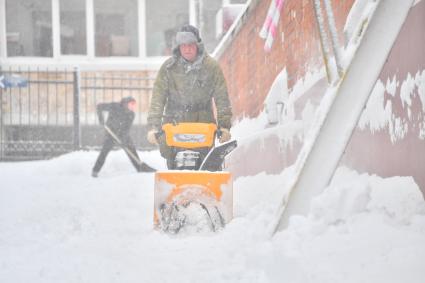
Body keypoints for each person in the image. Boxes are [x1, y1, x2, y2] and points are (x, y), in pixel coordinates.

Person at [146, 24, 232, 168]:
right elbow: (158, 97)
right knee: (175, 167)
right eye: (183, 45)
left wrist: (224, 126)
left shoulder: (211, 67)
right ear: (178, 47)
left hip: (203, 125)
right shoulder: (168, 68)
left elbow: (221, 96)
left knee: (206, 167)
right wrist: (154, 126)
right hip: (175, 124)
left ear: (197, 45)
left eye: (190, 45)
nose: (187, 49)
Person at [92, 96, 156, 177]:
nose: (133, 107)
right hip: (111, 134)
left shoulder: (131, 114)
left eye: (134, 105)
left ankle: (139, 167)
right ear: (126, 103)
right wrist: (101, 120)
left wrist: (122, 140)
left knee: (131, 149)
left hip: (122, 134)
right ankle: (95, 171)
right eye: (131, 104)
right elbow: (99, 106)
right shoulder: (115, 106)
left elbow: (126, 128)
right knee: (104, 152)